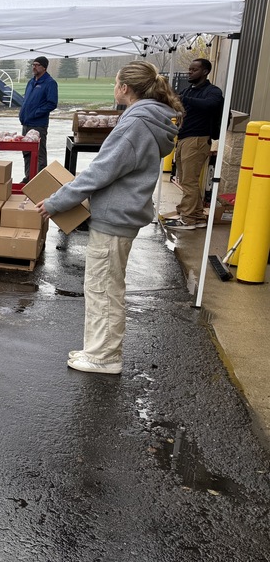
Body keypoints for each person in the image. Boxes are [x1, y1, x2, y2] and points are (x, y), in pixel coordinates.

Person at [36, 61, 179, 375]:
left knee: (103, 288)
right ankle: (97, 349)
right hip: (121, 215)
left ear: (125, 88)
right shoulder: (147, 119)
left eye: (116, 83)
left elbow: (100, 172)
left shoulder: (135, 124)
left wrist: (56, 202)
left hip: (115, 218)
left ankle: (104, 357)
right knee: (103, 285)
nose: (114, 88)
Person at [165, 57, 224, 230]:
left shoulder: (212, 91)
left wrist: (185, 99)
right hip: (184, 138)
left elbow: (211, 105)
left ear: (205, 72)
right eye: (190, 69)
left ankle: (188, 219)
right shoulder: (188, 90)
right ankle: (197, 215)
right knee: (185, 179)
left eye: (194, 70)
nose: (190, 72)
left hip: (197, 139)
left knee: (189, 181)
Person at [18, 56, 58, 178]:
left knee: (39, 153)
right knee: (26, 152)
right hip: (26, 123)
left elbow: (52, 103)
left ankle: (39, 180)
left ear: (44, 67)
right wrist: (22, 113)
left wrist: (36, 113)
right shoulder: (31, 82)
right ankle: (28, 178)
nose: (34, 67)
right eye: (33, 64)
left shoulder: (50, 83)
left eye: (37, 65)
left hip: (38, 125)